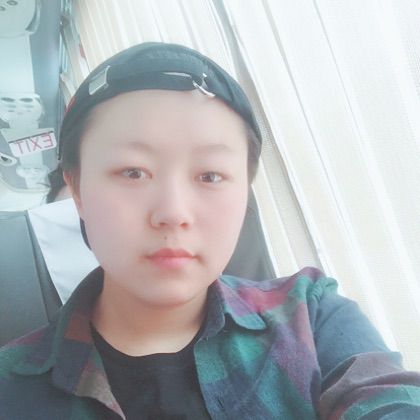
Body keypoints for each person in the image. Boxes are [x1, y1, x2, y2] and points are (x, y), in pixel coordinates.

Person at [0, 42, 419, 419]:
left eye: (210, 175)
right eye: (133, 172)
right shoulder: (11, 388)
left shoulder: (311, 319)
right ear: (76, 188)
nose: (173, 213)